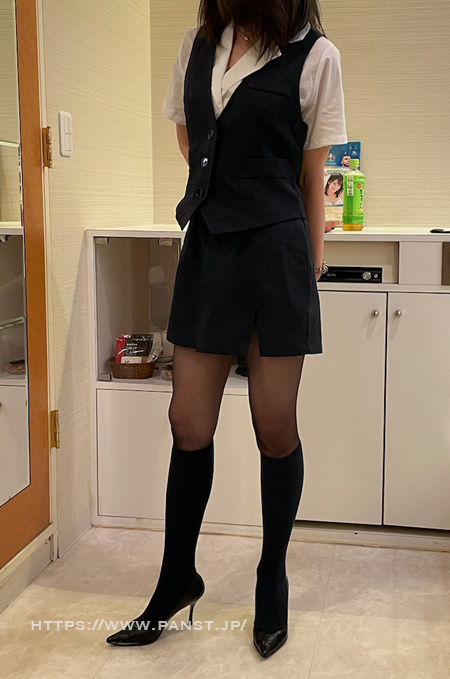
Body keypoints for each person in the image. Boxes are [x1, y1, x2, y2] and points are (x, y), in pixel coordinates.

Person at [106, 0, 347, 659]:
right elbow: (191, 137)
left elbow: (313, 173)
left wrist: (310, 265)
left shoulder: (315, 55)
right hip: (210, 249)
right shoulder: (196, 44)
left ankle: (272, 577)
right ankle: (176, 579)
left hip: (276, 252)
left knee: (274, 425)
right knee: (188, 421)